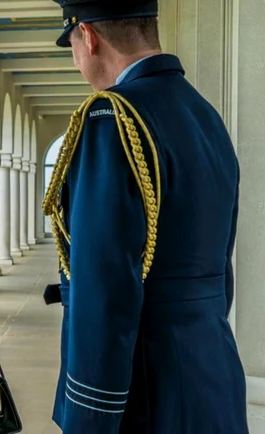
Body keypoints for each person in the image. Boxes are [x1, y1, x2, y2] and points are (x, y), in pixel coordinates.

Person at [43, 1, 249, 433]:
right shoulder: (205, 116)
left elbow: (104, 288)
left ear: (89, 38)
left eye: (72, 45)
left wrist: (89, 418)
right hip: (212, 371)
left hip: (146, 392)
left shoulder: (110, 119)